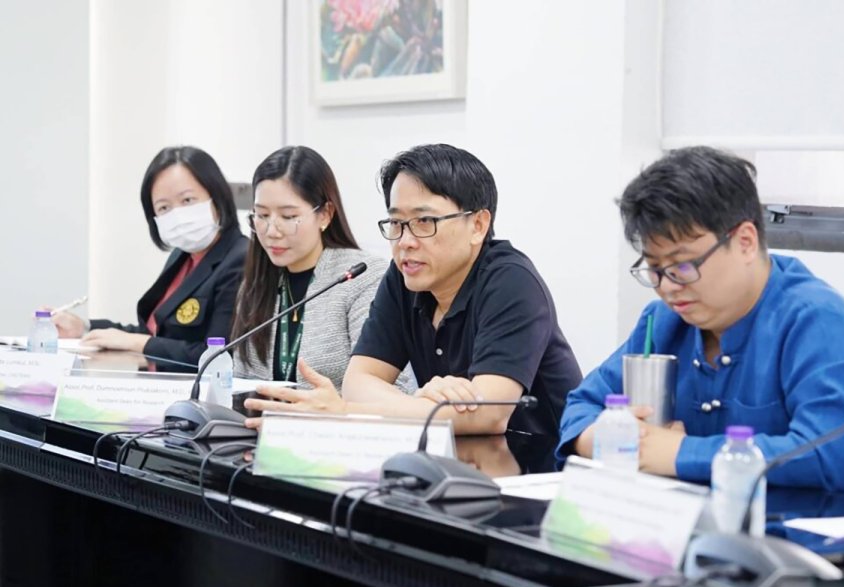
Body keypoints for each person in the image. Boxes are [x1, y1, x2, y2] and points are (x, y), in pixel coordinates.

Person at [558, 146, 844, 501]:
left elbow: (832, 455)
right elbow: (582, 404)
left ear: (746, 242)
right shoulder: (662, 322)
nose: (669, 287)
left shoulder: (819, 321)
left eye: (683, 265)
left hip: (826, 543)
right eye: (655, 270)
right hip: (696, 534)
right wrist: (602, 438)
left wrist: (677, 453)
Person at [244, 144, 582, 437]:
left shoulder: (512, 282)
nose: (405, 242)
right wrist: (421, 403)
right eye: (396, 223)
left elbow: (489, 413)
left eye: (425, 222)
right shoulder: (405, 276)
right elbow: (358, 383)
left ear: (477, 225)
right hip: (450, 463)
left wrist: (348, 412)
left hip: (538, 474)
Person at [51, 146, 248, 371]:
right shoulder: (182, 256)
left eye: (187, 200)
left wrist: (137, 343)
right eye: (164, 207)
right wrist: (84, 327)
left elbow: (215, 356)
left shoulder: (240, 259)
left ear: (217, 196)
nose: (177, 215)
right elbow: (155, 335)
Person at [231, 145, 393, 391]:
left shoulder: (362, 277)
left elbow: (392, 387)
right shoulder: (256, 283)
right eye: (262, 215)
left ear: (325, 215)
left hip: (336, 425)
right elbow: (240, 380)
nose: (271, 231)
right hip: (259, 426)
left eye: (288, 217)